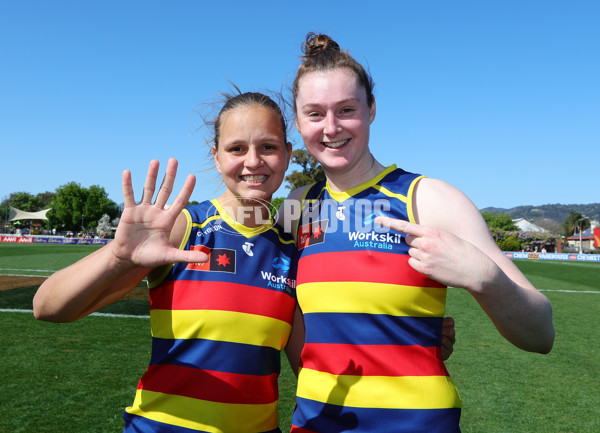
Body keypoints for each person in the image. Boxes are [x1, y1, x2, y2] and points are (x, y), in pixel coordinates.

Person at [281, 33, 555, 433]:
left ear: (371, 109)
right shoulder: (298, 205)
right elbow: (295, 315)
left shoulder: (428, 199)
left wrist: (486, 280)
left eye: (347, 109)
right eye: (315, 113)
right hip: (315, 424)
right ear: (298, 120)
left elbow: (541, 334)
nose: (331, 127)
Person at [33, 91, 300, 433]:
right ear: (216, 157)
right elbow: (47, 306)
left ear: (288, 154)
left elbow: (308, 369)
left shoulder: (290, 249)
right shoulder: (184, 227)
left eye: (268, 147)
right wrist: (117, 257)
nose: (252, 161)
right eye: (236, 148)